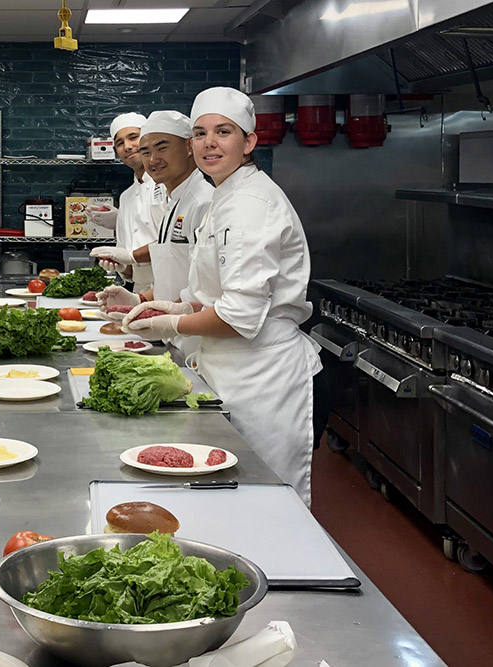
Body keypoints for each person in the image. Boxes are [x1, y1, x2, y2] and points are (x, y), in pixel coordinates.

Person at [122, 87, 321, 506]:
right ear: (192, 146)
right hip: (226, 366)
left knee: (266, 498)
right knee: (229, 493)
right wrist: (180, 305)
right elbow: (217, 293)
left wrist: (171, 323)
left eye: (223, 131)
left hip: (261, 373)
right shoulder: (225, 195)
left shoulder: (249, 202)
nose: (210, 142)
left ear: (249, 141)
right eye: (200, 133)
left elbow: (238, 315)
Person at [96, 110, 213, 360]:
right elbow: (176, 268)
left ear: (189, 146)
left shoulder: (203, 202)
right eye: (147, 151)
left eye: (161, 148)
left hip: (202, 335)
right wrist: (139, 298)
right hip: (177, 330)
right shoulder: (175, 201)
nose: (152, 159)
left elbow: (213, 289)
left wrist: (171, 317)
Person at [88, 112, 165, 291]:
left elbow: (172, 243)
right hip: (139, 289)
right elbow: (128, 265)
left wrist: (130, 256)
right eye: (120, 143)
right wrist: (123, 268)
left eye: (133, 138)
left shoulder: (166, 184)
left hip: (172, 286)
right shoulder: (126, 197)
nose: (127, 147)